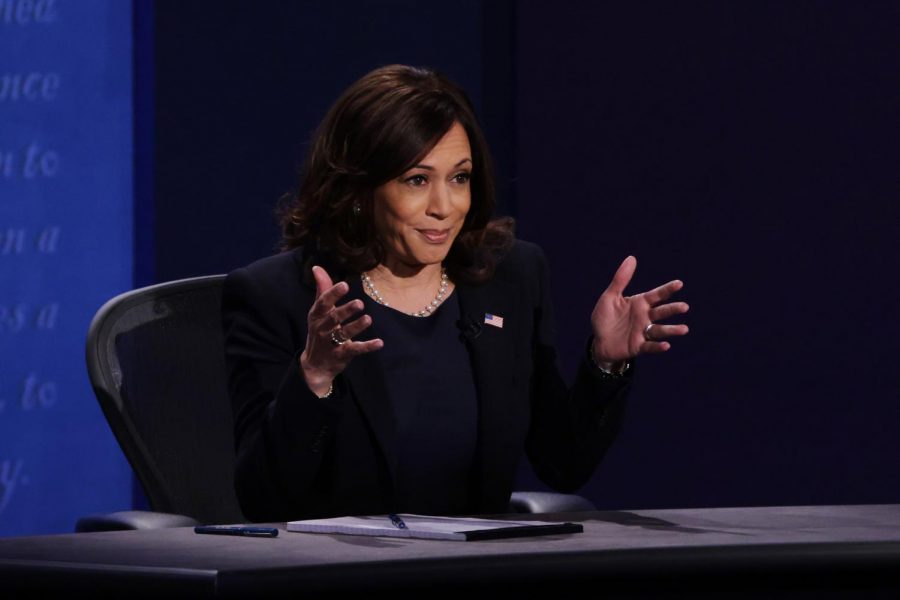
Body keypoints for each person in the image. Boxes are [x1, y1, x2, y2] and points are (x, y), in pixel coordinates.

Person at [222, 64, 689, 522]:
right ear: (360, 189)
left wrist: (605, 364)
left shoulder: (511, 278)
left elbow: (563, 464)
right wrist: (315, 377)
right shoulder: (280, 296)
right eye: (417, 180)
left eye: (459, 178)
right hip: (337, 574)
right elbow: (265, 501)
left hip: (474, 575)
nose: (445, 207)